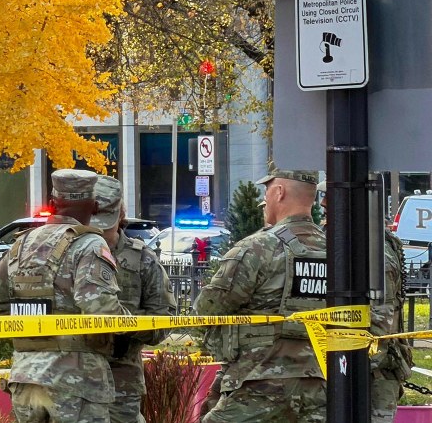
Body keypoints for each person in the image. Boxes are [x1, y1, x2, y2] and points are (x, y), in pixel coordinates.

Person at [0, 168, 125, 423]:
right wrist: (131, 322)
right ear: (94, 206)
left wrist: (29, 330)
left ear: (53, 202)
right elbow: (101, 309)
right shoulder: (90, 244)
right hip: (75, 380)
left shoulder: (22, 243)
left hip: (26, 378)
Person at [196, 169, 326, 423]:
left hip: (259, 382)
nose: (264, 197)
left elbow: (208, 309)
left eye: (267, 189)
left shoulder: (258, 247)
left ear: (279, 192)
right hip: (320, 385)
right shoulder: (337, 250)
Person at [316, 181, 411, 423]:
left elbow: (380, 318)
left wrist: (348, 368)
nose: (324, 203)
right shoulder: (352, 241)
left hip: (370, 376)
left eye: (331, 196)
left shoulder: (373, 249)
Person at [90, 175, 176, 423]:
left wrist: (122, 322)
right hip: (71, 379)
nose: (98, 230)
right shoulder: (70, 255)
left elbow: (164, 320)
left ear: (120, 215)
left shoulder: (142, 259)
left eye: (104, 222)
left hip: (121, 380)